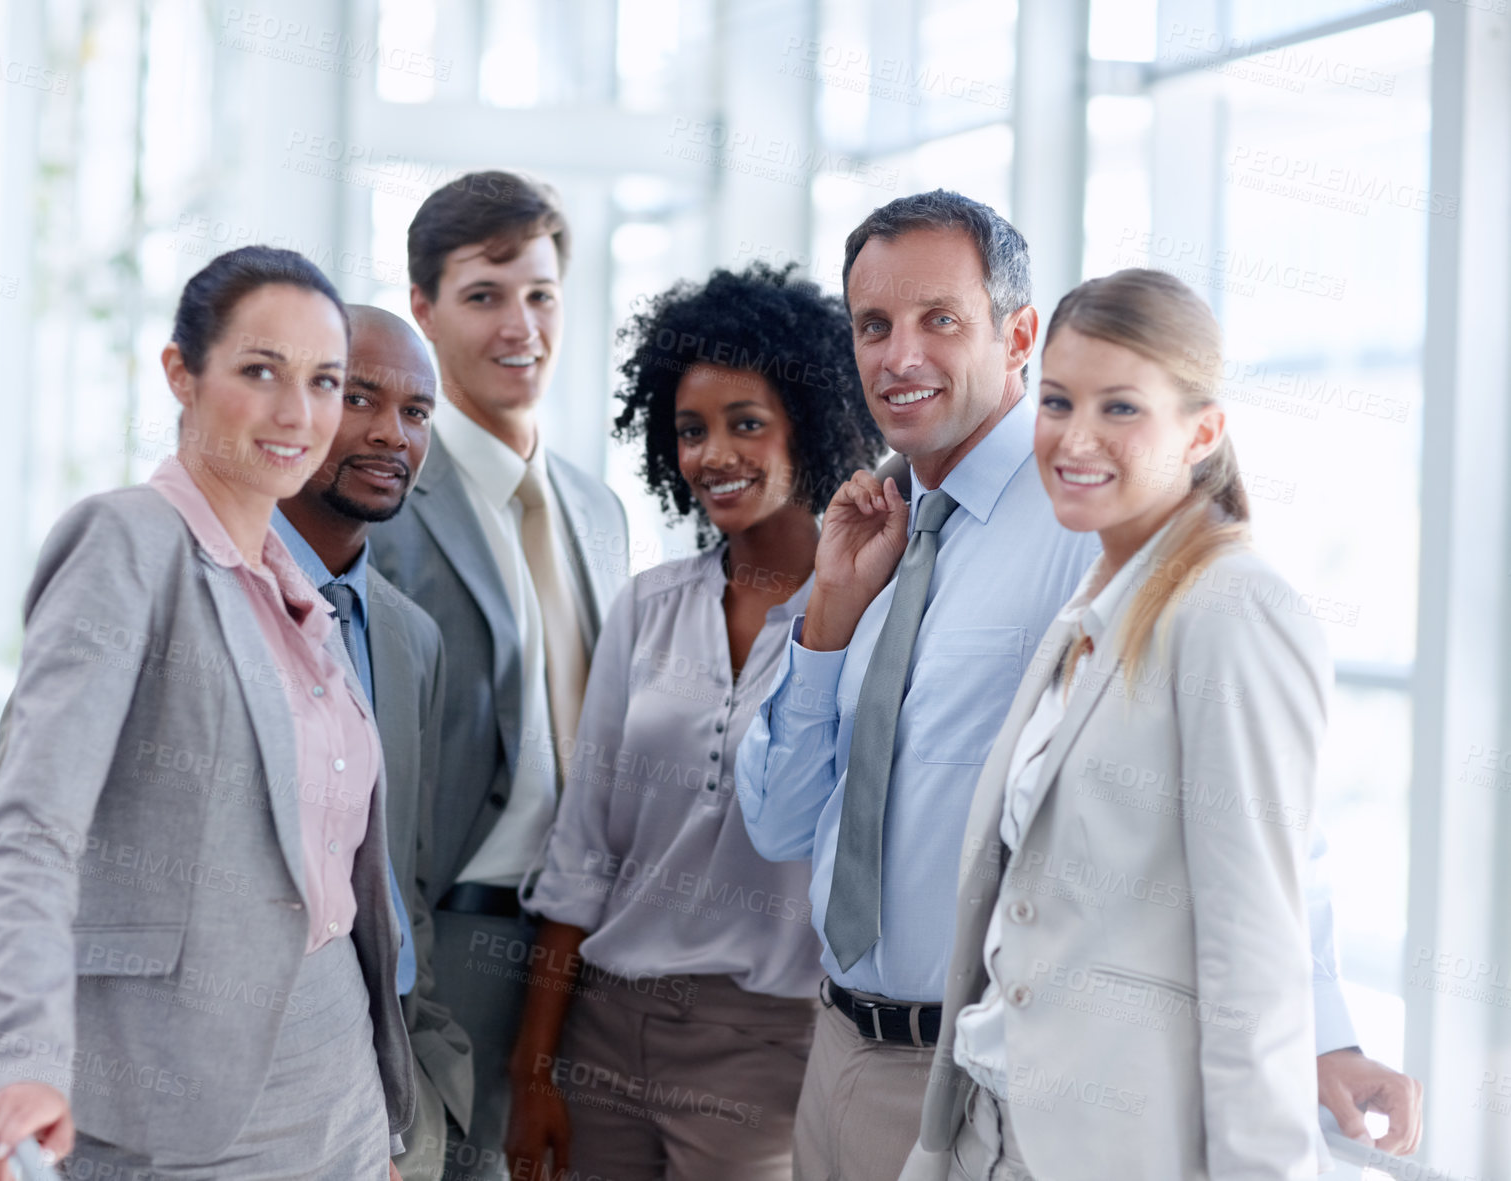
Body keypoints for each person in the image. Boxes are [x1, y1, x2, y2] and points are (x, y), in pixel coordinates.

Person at [734, 190, 1420, 1181]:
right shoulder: (869, 527)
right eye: (871, 325)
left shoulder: (1086, 527)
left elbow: (1254, 822)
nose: (898, 355)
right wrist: (831, 618)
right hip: (835, 1046)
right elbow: (777, 823)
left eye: (938, 319)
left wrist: (1324, 1031)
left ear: (1014, 332)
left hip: (985, 1073)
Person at [0, 246, 414, 1180]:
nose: (299, 414)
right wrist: (24, 1052)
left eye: (324, 381)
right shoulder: (127, 542)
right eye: (261, 372)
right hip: (176, 1090)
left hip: (339, 1072)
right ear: (182, 373)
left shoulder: (299, 593)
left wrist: (373, 1106)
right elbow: (29, 827)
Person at [904, 267, 1325, 1178]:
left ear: (1202, 431)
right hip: (995, 1130)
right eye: (1056, 401)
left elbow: (1255, 960)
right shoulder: (1094, 603)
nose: (1075, 437)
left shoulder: (1230, 610)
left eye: (1121, 408)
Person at [505, 263, 886, 1181]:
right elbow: (583, 848)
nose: (714, 454)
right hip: (602, 1026)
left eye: (745, 422)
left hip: (766, 1047)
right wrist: (533, 1068)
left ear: (810, 417)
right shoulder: (647, 608)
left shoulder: (871, 614)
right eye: (690, 430)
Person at [369, 170, 631, 1181]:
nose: (519, 324)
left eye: (539, 293)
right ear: (425, 309)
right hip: (449, 937)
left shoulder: (595, 510)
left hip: (580, 953)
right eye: (484, 295)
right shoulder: (390, 496)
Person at [274, 304, 474, 1180]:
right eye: (359, 398)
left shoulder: (410, 636)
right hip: (242, 1082)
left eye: (417, 412)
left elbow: (402, 874)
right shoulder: (197, 588)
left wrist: (420, 1074)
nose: (392, 434)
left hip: (388, 1077)